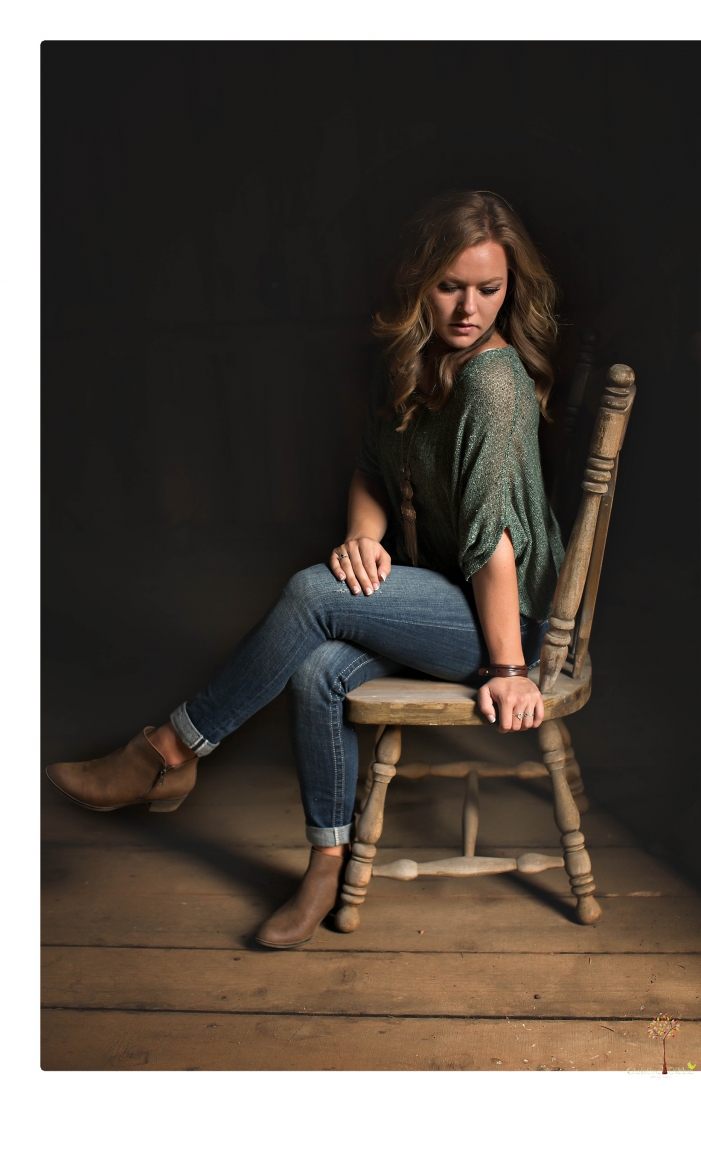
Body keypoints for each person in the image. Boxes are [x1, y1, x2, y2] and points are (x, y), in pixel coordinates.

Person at [46, 190, 564, 949]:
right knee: (319, 667)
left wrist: (508, 668)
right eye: (450, 285)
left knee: (310, 593)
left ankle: (168, 752)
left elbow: (495, 546)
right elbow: (371, 470)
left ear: (510, 289)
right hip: (433, 592)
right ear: (421, 280)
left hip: (501, 617)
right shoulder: (418, 360)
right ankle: (326, 861)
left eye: (489, 289)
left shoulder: (493, 382)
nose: (468, 308)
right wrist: (364, 538)